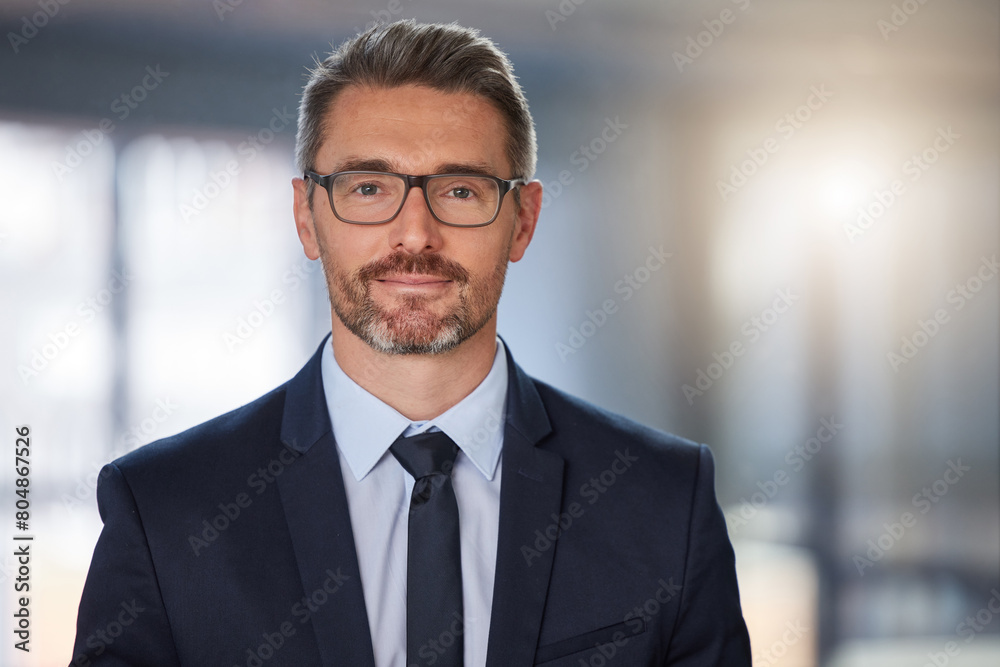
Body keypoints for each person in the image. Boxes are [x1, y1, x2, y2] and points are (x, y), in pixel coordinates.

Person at [73, 19, 751, 667]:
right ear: (307, 219)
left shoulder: (664, 502)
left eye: (460, 189)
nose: (416, 234)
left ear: (523, 220)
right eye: (368, 187)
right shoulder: (164, 510)